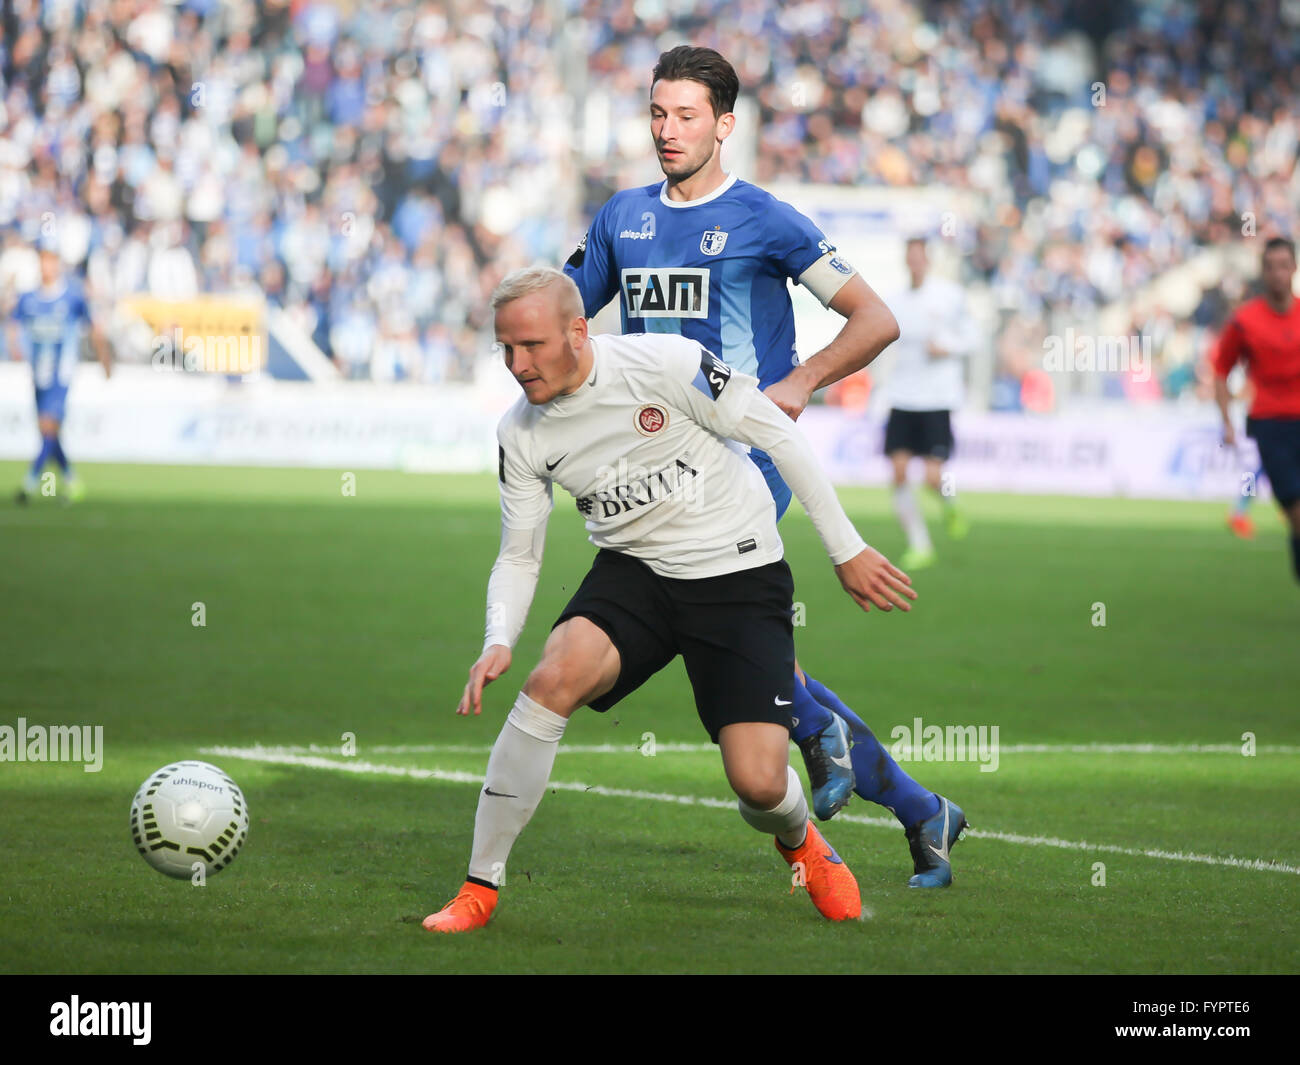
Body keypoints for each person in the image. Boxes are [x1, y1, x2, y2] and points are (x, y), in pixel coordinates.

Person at [563, 46, 966, 887]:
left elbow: (873, 317)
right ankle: (916, 802)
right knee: (736, 651)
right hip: (657, 466)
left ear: (725, 125)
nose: (666, 130)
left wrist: (800, 381)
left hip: (744, 457)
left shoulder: (766, 219)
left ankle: (819, 735)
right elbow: (566, 314)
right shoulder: (621, 219)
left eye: (685, 115)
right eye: (657, 112)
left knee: (713, 628)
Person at [423, 267, 917, 933]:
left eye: (533, 345)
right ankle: (479, 888)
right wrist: (497, 639)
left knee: (760, 784)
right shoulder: (521, 432)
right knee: (550, 679)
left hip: (737, 572)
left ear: (577, 330)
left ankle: (802, 841)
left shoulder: (664, 362)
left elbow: (775, 430)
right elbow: (519, 553)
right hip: (637, 572)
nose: (518, 364)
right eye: (505, 348)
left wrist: (845, 547)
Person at [882, 236, 974, 571]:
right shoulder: (895, 300)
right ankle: (920, 545)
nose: (915, 263)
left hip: (937, 398)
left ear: (928, 260)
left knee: (932, 478)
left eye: (919, 257)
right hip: (902, 396)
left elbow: (973, 336)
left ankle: (950, 504)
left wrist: (947, 346)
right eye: (910, 258)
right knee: (898, 472)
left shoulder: (950, 296)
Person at [1214, 237, 1300, 580]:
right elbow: (1221, 369)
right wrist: (1227, 422)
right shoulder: (1245, 321)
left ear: (1293, 268)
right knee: (1296, 511)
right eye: (1270, 267)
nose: (1278, 274)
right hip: (1271, 426)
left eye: (1284, 265)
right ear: (1262, 272)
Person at [9, 247, 111, 504]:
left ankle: (29, 485)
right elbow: (13, 322)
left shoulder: (72, 297)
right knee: (48, 434)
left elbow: (93, 327)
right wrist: (15, 347)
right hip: (38, 375)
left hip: (61, 374)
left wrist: (104, 360)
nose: (47, 267)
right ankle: (72, 482)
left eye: (51, 262)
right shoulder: (29, 298)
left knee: (48, 426)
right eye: (43, 262)